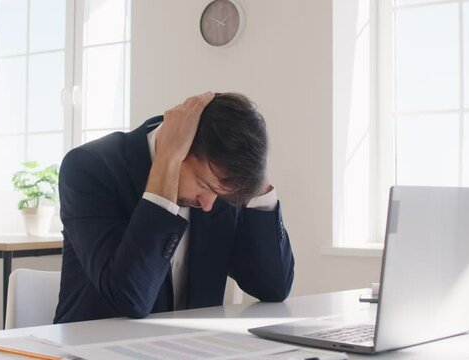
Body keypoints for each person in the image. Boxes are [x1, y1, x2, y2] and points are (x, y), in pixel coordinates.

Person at [54, 92, 294, 323]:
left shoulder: (220, 181)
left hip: (189, 348)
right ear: (181, 148)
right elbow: (129, 298)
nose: (208, 204)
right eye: (202, 184)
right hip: (93, 348)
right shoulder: (90, 168)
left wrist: (255, 175)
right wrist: (166, 162)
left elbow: (274, 287)